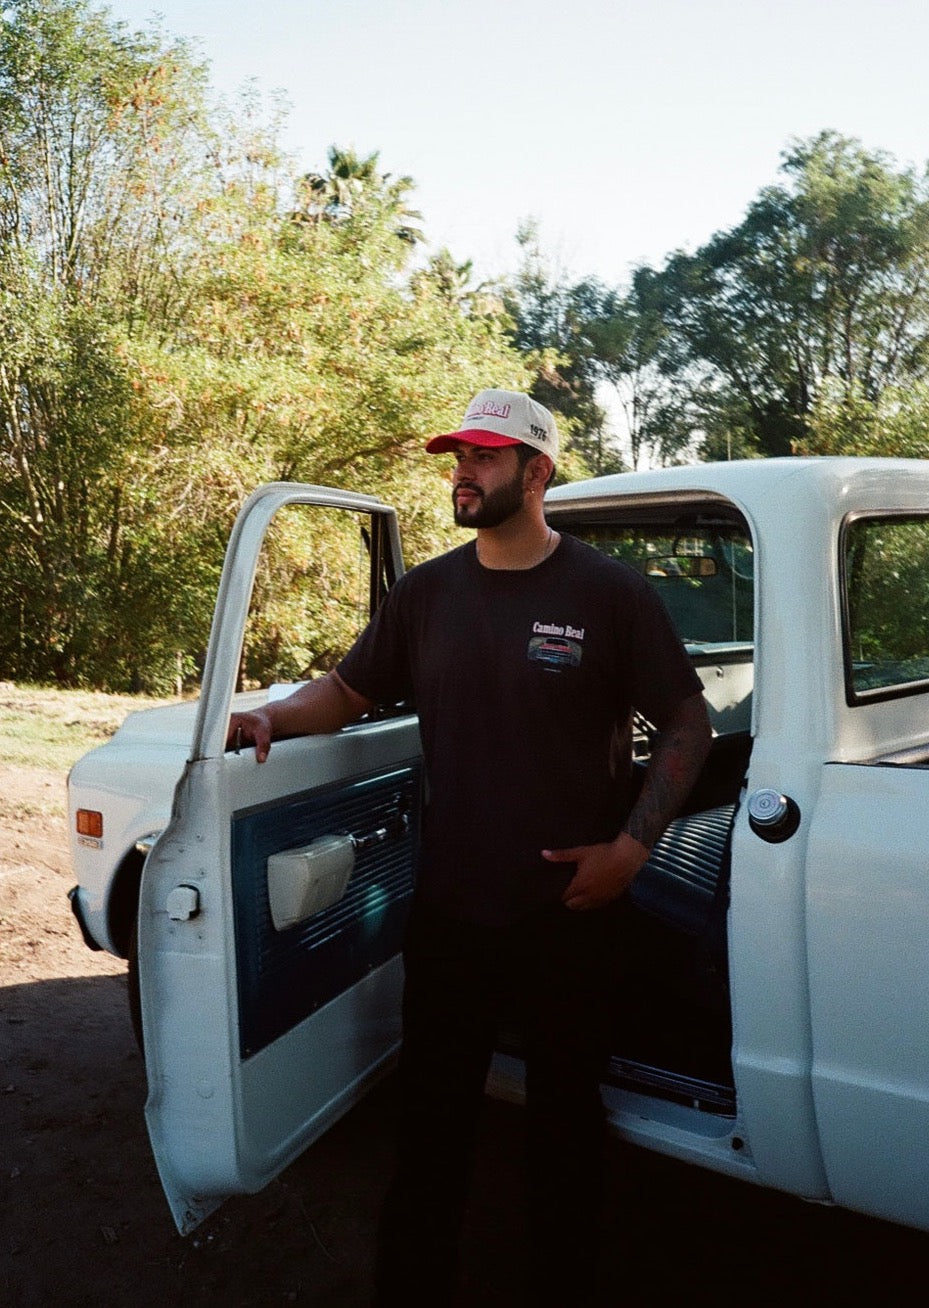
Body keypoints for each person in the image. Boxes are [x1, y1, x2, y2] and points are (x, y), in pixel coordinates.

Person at [227, 388, 712, 1306]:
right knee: (433, 1129)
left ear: (536, 472)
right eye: (458, 456)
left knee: (564, 1126)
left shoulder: (608, 595)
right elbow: (346, 691)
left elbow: (686, 725)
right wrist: (269, 720)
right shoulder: (427, 594)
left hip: (570, 915)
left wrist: (631, 850)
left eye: (484, 457)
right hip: (451, 912)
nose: (462, 471)